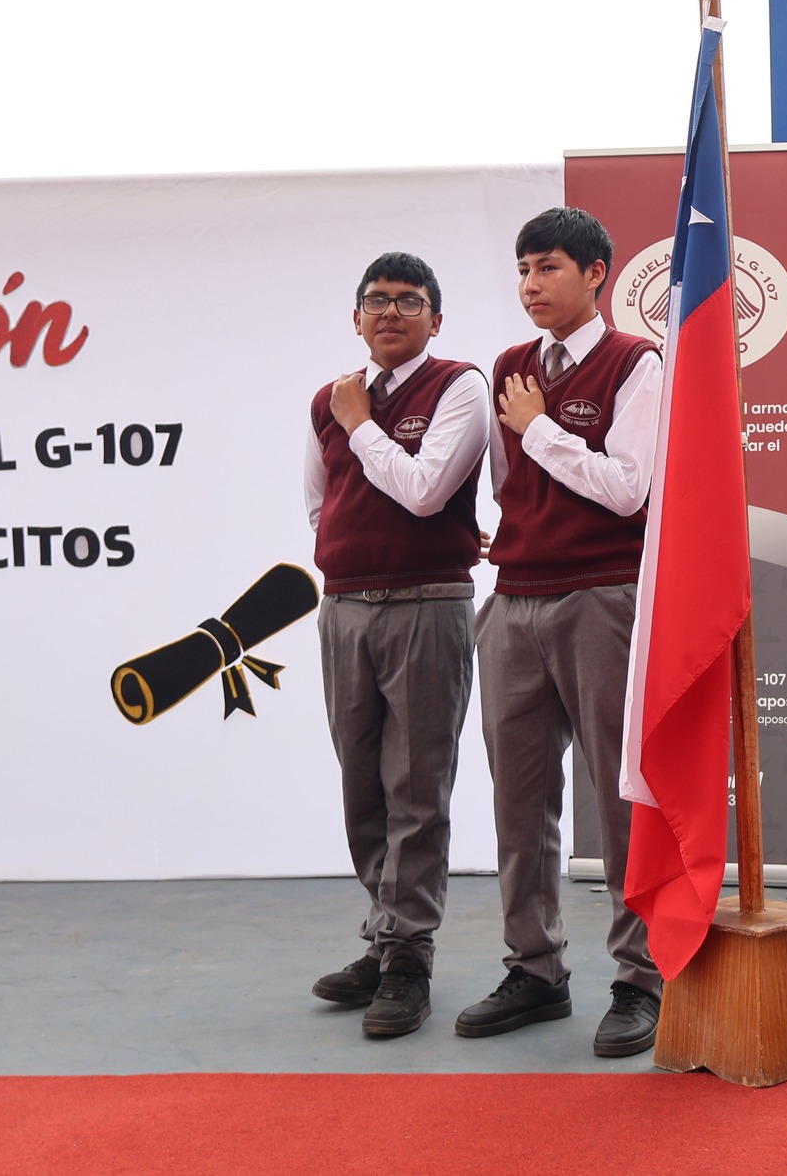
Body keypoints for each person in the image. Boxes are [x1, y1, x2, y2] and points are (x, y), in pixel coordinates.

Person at [456, 206, 666, 1057]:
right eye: (522, 270)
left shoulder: (636, 364)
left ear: (595, 275)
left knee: (622, 798)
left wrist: (540, 428)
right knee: (520, 797)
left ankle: (639, 975)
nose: (531, 285)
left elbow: (627, 490)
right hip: (516, 597)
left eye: (547, 268)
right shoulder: (510, 365)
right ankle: (535, 968)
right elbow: (510, 489)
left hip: (601, 596)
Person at [302, 251, 491, 1039]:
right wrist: (350, 422)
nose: (390, 312)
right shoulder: (328, 400)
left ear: (435, 319)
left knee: (415, 786)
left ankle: (410, 956)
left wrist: (362, 425)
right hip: (346, 608)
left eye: (409, 301)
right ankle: (385, 936)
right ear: (356, 316)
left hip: (425, 604)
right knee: (362, 787)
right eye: (375, 300)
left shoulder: (459, 384)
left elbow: (423, 491)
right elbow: (320, 507)